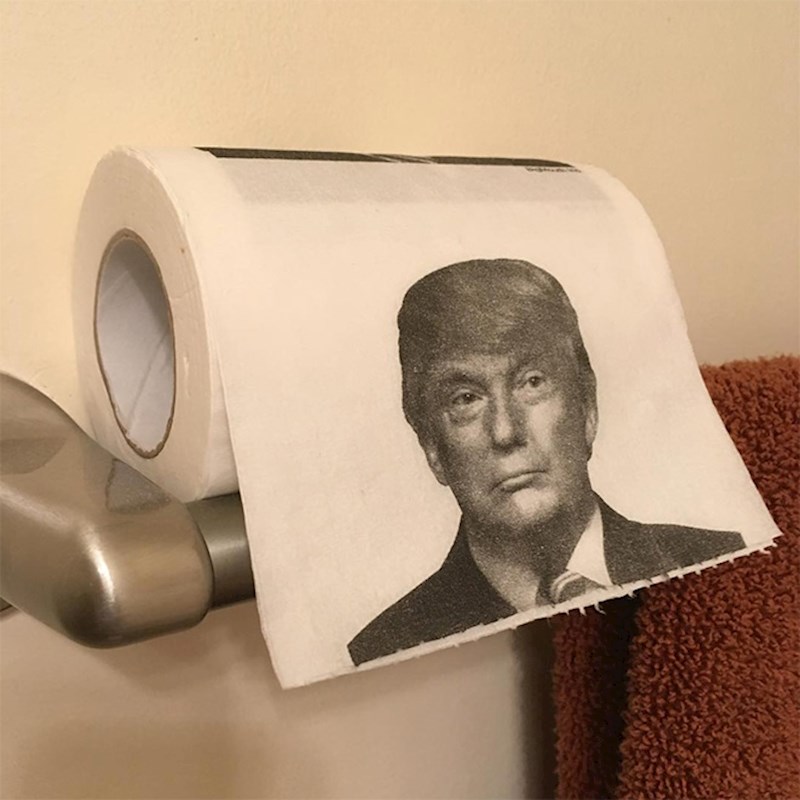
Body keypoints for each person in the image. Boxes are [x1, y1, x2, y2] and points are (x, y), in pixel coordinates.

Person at [348, 259, 744, 666]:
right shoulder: (386, 648)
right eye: (465, 399)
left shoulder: (723, 556)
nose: (505, 432)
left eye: (532, 382)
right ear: (431, 446)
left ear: (587, 406)